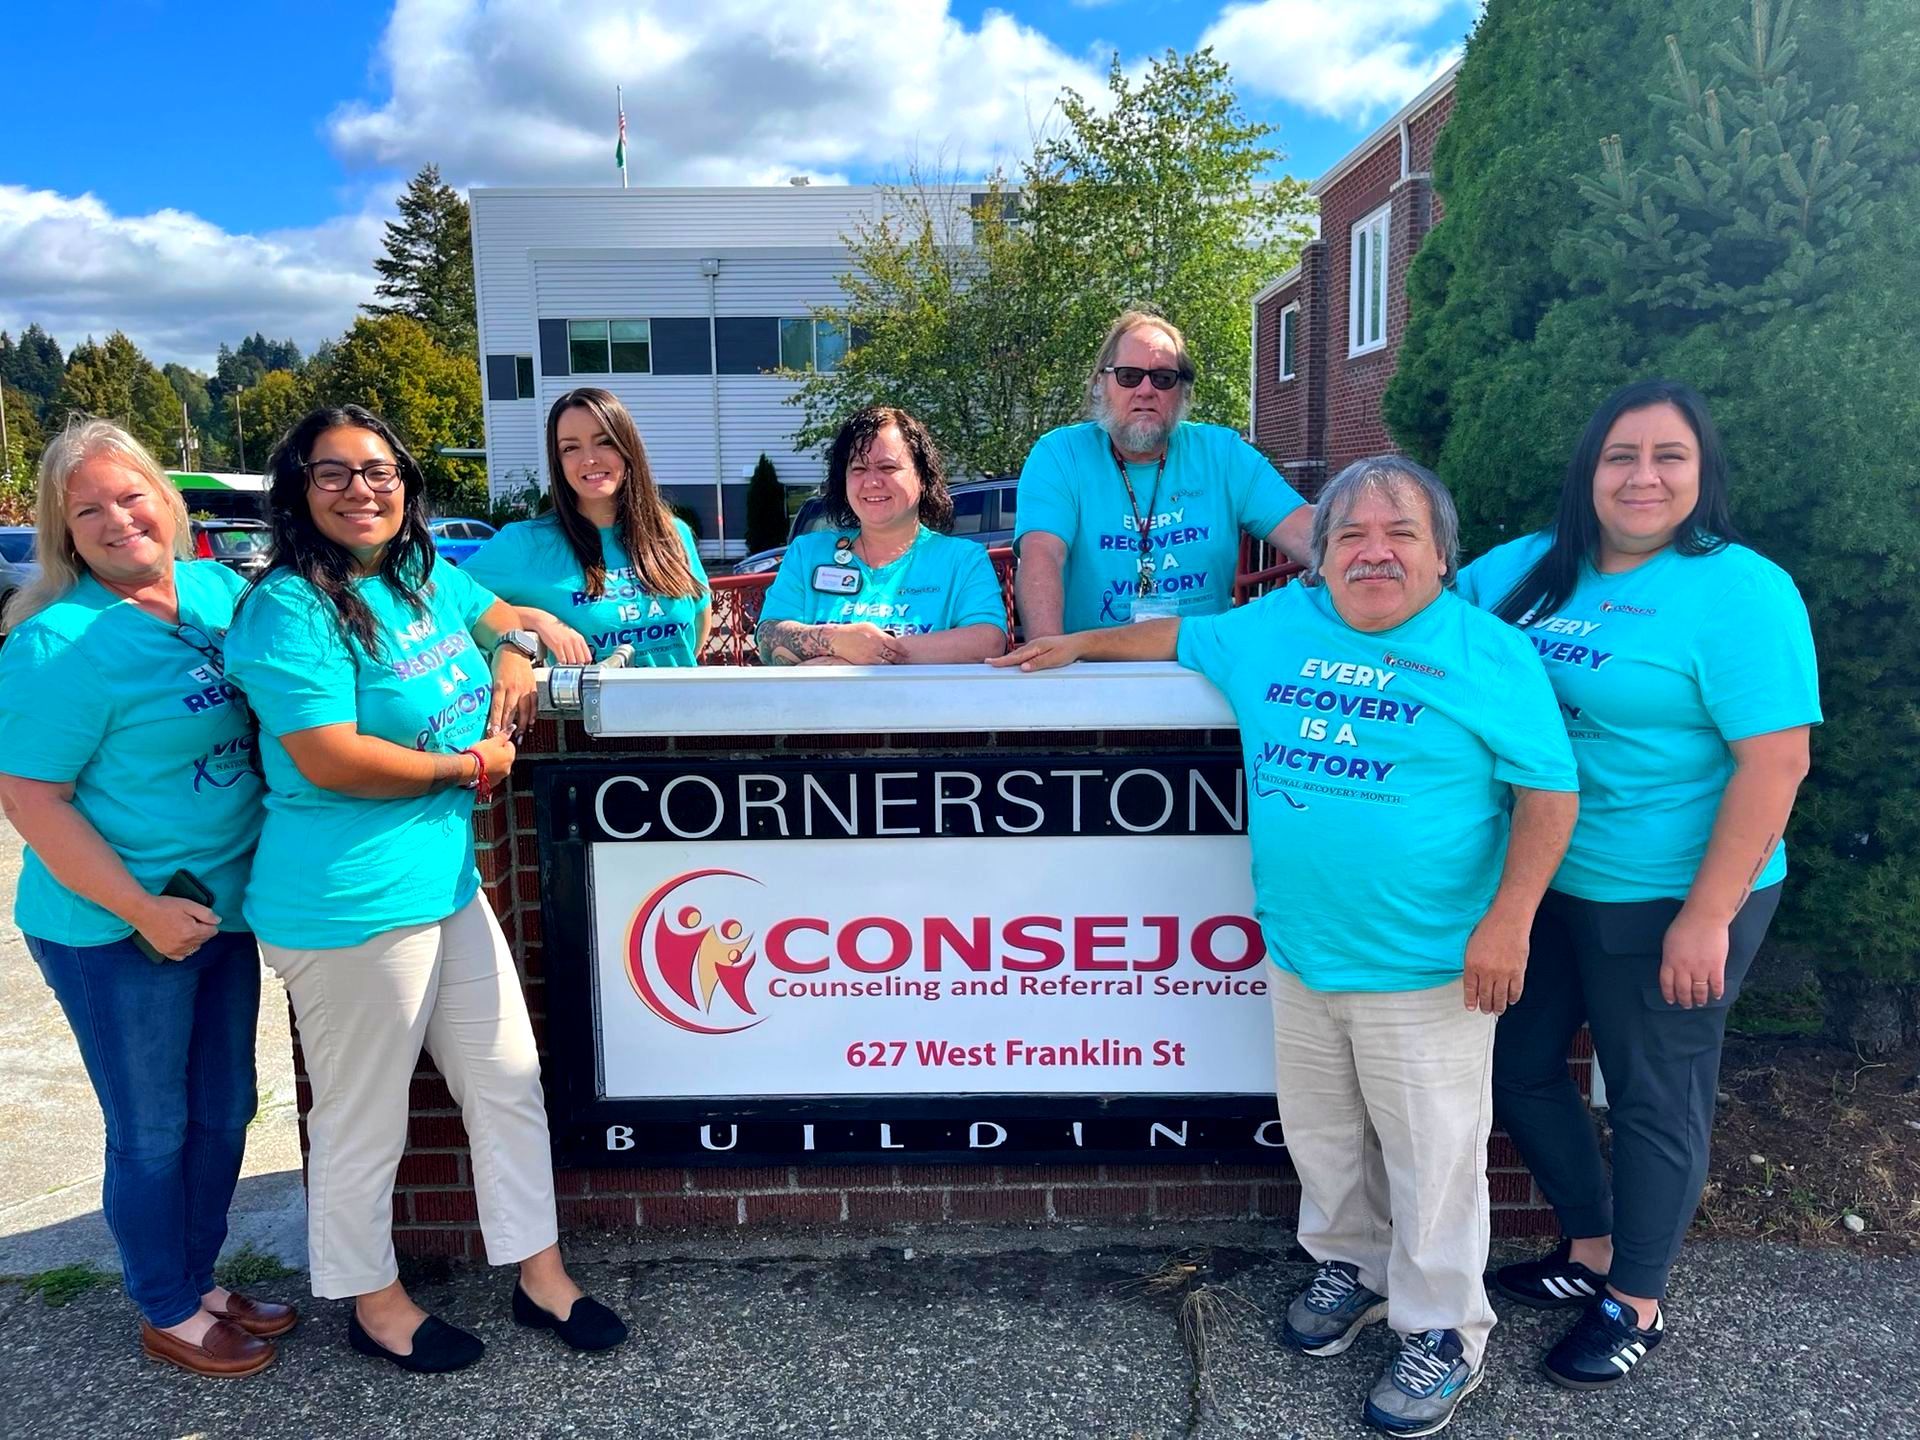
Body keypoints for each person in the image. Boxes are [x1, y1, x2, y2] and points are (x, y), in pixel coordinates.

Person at [994, 456, 1580, 1437]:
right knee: (1324, 1134)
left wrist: (1510, 918)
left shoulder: (1490, 656)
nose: (1374, 551)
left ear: (1442, 554)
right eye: (1350, 535)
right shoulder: (1273, 628)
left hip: (1429, 967)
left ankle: (1444, 1331)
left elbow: (1550, 795)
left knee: (1435, 1158)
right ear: (1320, 556)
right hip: (1304, 954)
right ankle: (1350, 1266)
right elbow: (1175, 634)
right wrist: (1076, 643)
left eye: (1400, 533)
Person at [223, 404, 627, 1373]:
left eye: (379, 472)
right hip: (348, 902)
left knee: (506, 1084)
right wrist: (472, 768)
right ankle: (375, 1301)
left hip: (443, 884)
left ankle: (541, 1276)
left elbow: (510, 621)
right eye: (333, 474)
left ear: (405, 485)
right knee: (366, 1118)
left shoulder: (421, 573)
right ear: (299, 491)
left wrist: (514, 655)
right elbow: (328, 757)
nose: (361, 490)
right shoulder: (290, 608)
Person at [1457, 380, 1820, 1391]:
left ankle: (1639, 1301)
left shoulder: (1740, 590)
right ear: (1589, 470)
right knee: (1520, 1065)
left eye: (1669, 456)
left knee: (1658, 1098)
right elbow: (1409, 612)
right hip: (1549, 876)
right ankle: (1591, 1251)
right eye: (1622, 455)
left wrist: (1707, 917)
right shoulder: (1531, 566)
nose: (1644, 475)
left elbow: (1775, 765)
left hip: (1676, 890)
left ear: (1701, 476)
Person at [0, 419, 294, 1378]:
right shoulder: (56, 643)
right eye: (87, 510)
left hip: (218, 910)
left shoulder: (216, 593)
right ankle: (165, 1304)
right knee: (153, 1125)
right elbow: (30, 798)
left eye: (131, 496)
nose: (117, 520)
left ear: (168, 503)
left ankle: (198, 1277)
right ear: (64, 533)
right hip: (113, 928)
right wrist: (139, 908)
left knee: (227, 1108)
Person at [1012, 309, 1315, 637]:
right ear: (1101, 384)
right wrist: (1051, 665)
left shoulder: (1223, 454)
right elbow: (1042, 557)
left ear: (1182, 390)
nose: (1145, 390)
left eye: (1163, 378)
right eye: (1129, 376)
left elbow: (1308, 534)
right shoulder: (1060, 455)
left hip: (1199, 669)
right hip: (1091, 671)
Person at [463, 387, 709, 665]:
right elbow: (446, 604)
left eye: (604, 442)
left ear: (627, 448)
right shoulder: (525, 543)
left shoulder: (672, 533)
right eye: (570, 448)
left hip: (683, 707)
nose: (589, 459)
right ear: (558, 462)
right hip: (588, 709)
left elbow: (699, 625)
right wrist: (535, 620)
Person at [757, 405, 1007, 665]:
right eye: (858, 469)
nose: (872, 481)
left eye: (887, 468)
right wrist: (837, 641)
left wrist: (866, 657)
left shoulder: (962, 559)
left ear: (922, 478)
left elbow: (988, 641)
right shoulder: (807, 552)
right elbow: (767, 636)